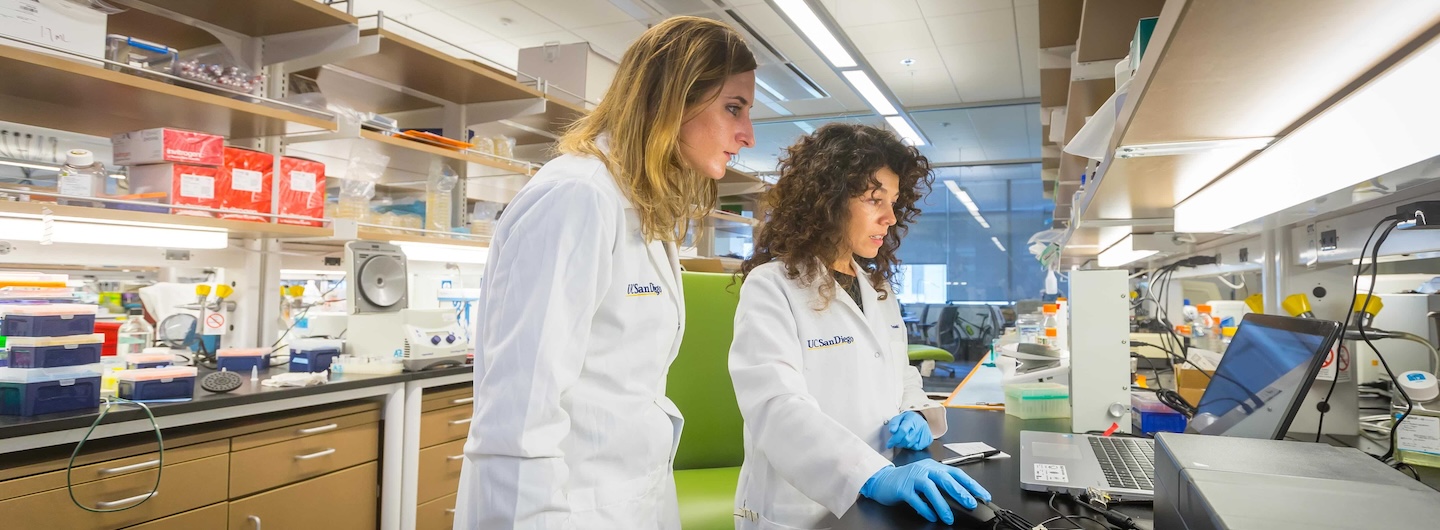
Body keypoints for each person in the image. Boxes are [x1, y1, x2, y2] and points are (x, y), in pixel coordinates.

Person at [454, 16, 756, 529]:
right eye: (733, 108)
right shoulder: (578, 196)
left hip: (629, 497)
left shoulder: (638, 207)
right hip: (562, 509)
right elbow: (521, 413)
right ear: (672, 98)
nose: (746, 134)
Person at [729, 123, 991, 529]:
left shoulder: (876, 288)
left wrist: (918, 414)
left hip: (878, 495)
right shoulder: (772, 286)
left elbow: (900, 374)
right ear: (827, 201)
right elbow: (776, 407)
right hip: (801, 506)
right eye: (874, 200)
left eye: (894, 202)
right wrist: (872, 474)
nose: (889, 218)